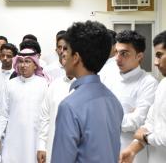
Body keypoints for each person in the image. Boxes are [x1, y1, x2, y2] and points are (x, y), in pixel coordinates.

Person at [51, 21, 123, 163]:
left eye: (68, 52)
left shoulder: (70, 106)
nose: (64, 56)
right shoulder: (113, 101)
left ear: (76, 57)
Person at [104, 30, 158, 163]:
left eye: (124, 53)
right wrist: (124, 116)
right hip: (104, 148)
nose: (117, 58)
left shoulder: (148, 83)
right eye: (116, 51)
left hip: (131, 153)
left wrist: (104, 116)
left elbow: (137, 122)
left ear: (139, 56)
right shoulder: (108, 77)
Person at [0, 49, 52, 163]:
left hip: (35, 140)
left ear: (35, 65)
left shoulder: (43, 84)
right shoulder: (10, 84)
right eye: (20, 61)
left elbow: (47, 116)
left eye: (28, 61)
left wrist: (43, 145)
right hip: (13, 140)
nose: (23, 65)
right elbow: (3, 114)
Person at [119, 31, 166, 163]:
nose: (155, 63)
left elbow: (140, 125)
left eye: (160, 55)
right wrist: (132, 149)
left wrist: (146, 137)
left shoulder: (149, 82)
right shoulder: (163, 85)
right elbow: (151, 121)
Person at [37, 45, 76, 163]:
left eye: (68, 57)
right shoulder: (55, 85)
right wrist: (41, 146)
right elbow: (45, 117)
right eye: (63, 57)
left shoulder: (86, 86)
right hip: (54, 147)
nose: (65, 61)